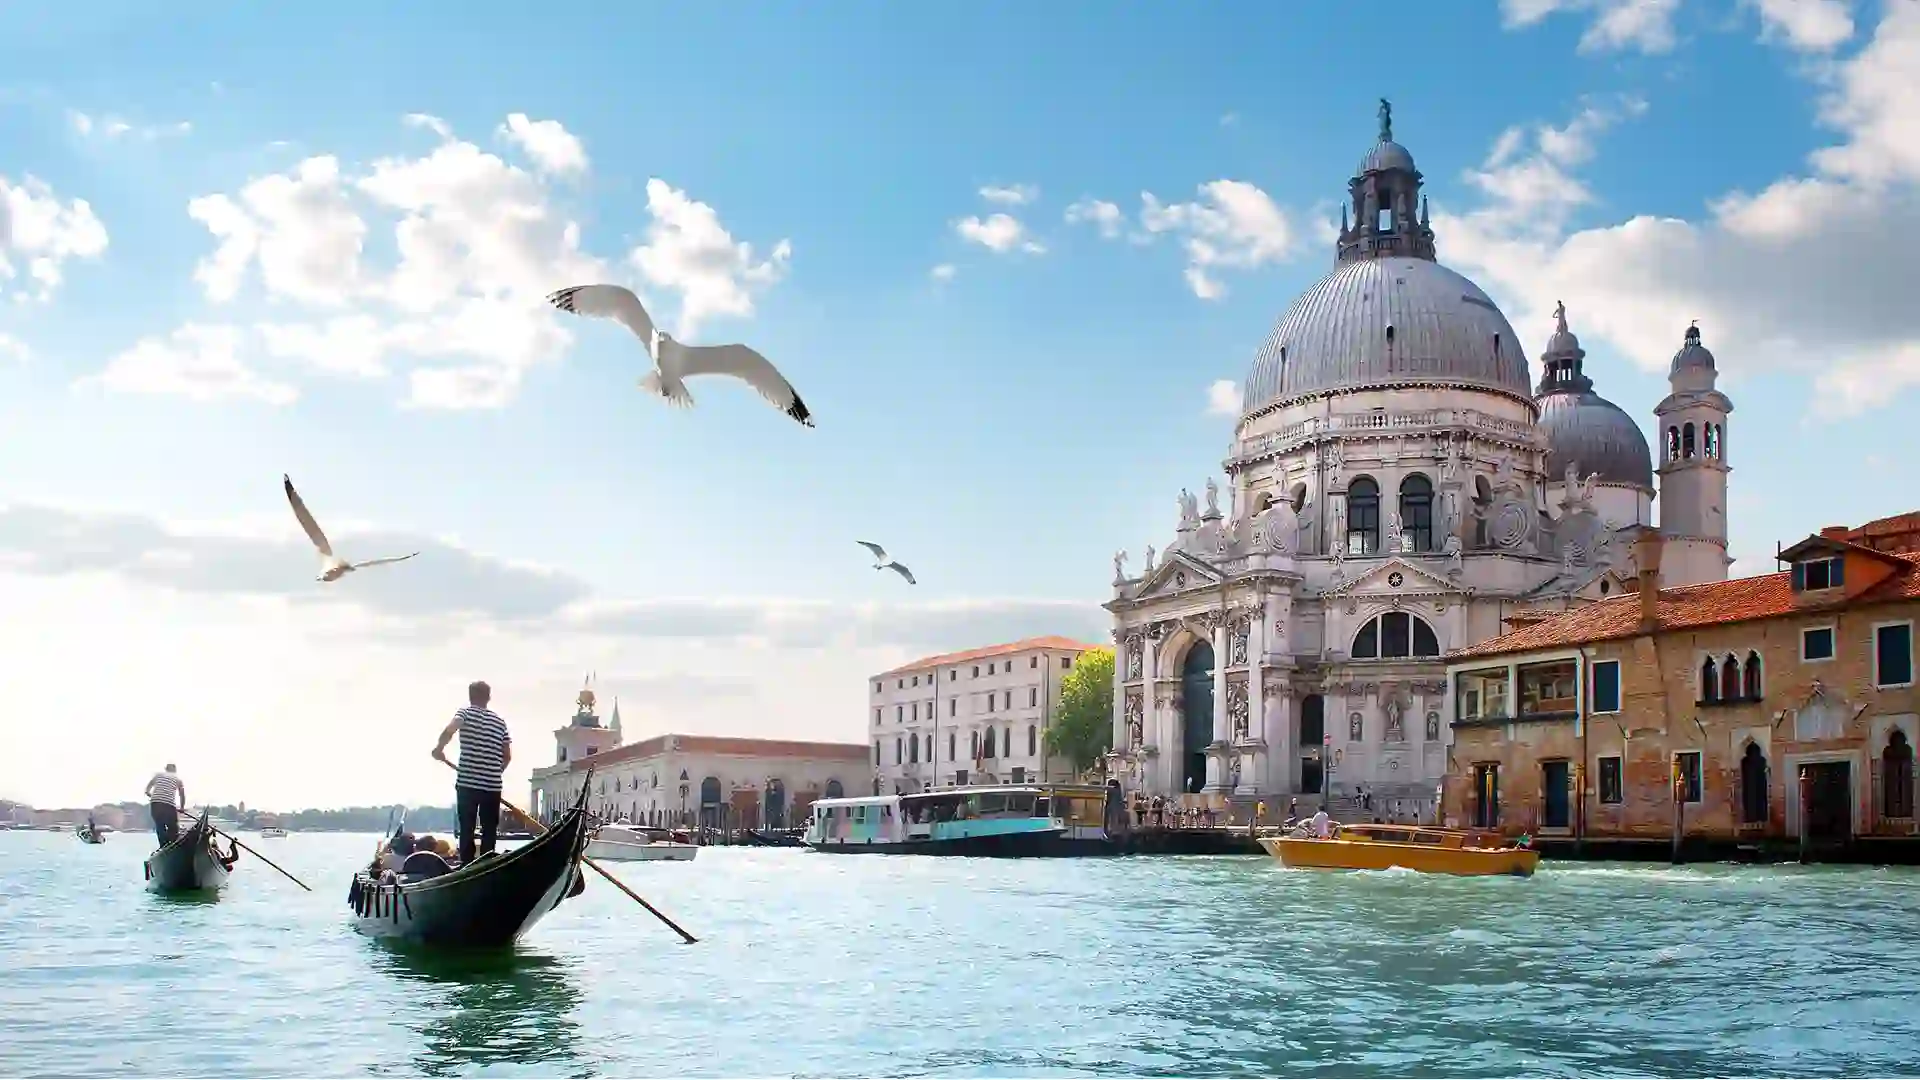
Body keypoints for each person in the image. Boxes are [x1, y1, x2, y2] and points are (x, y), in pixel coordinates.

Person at [432, 680, 513, 866]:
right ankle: (487, 865)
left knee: (467, 827)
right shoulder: (500, 722)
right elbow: (507, 756)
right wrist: (493, 772)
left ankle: (467, 865)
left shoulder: (465, 713)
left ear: (470, 696)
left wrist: (439, 749)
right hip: (493, 785)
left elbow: (449, 730)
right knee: (489, 830)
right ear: (488, 697)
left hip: (468, 782)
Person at [145, 764, 186, 846]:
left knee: (160, 825)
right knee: (173, 827)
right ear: (175, 770)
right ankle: (172, 843)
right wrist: (182, 808)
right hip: (169, 805)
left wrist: (149, 794)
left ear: (166, 769)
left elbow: (147, 789)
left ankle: (164, 845)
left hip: (155, 803)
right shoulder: (177, 779)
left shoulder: (158, 775)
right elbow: (182, 795)